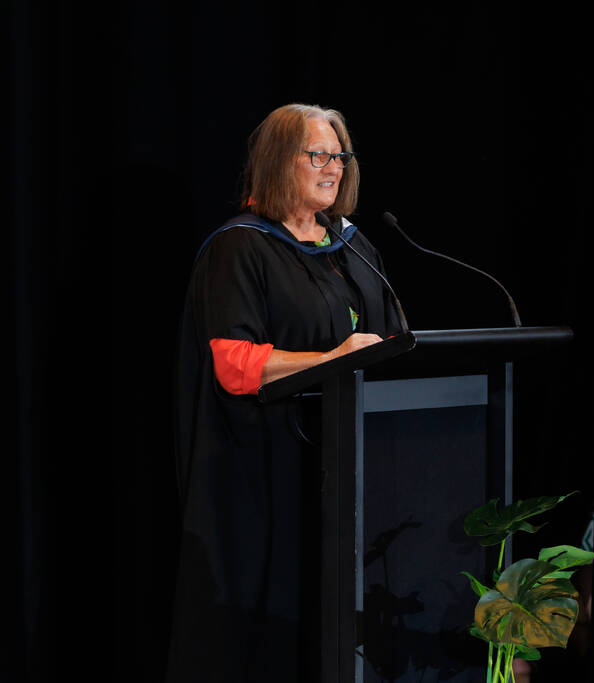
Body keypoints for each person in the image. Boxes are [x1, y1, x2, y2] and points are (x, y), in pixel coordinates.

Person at [166, 103, 402, 682]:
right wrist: (332, 359)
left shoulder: (351, 244)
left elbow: (396, 336)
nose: (334, 168)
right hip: (267, 472)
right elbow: (233, 363)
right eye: (318, 155)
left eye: (340, 156)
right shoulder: (241, 248)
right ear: (277, 163)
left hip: (350, 467)